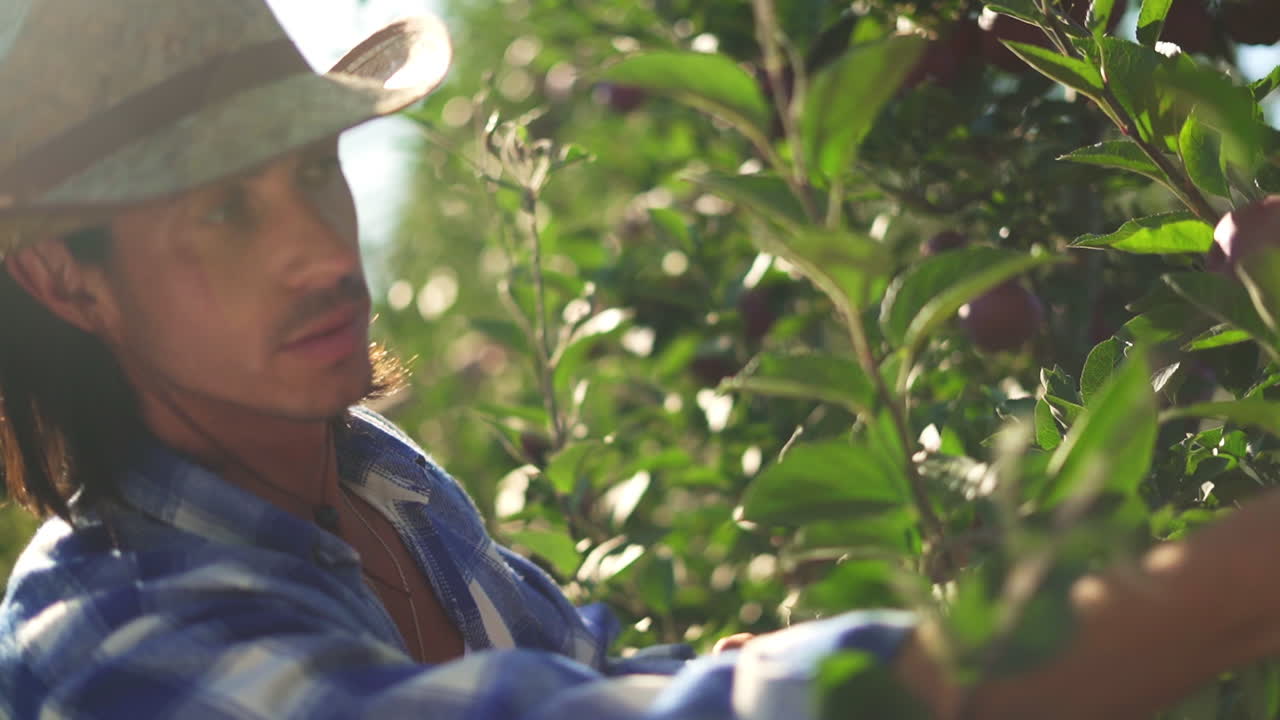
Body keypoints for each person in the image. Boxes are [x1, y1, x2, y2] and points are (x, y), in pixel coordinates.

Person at [0, 1, 916, 718]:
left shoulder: (377, 475)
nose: (322, 252)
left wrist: (721, 673)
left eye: (317, 168)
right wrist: (935, 678)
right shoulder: (109, 637)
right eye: (224, 212)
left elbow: (576, 673)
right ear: (65, 279)